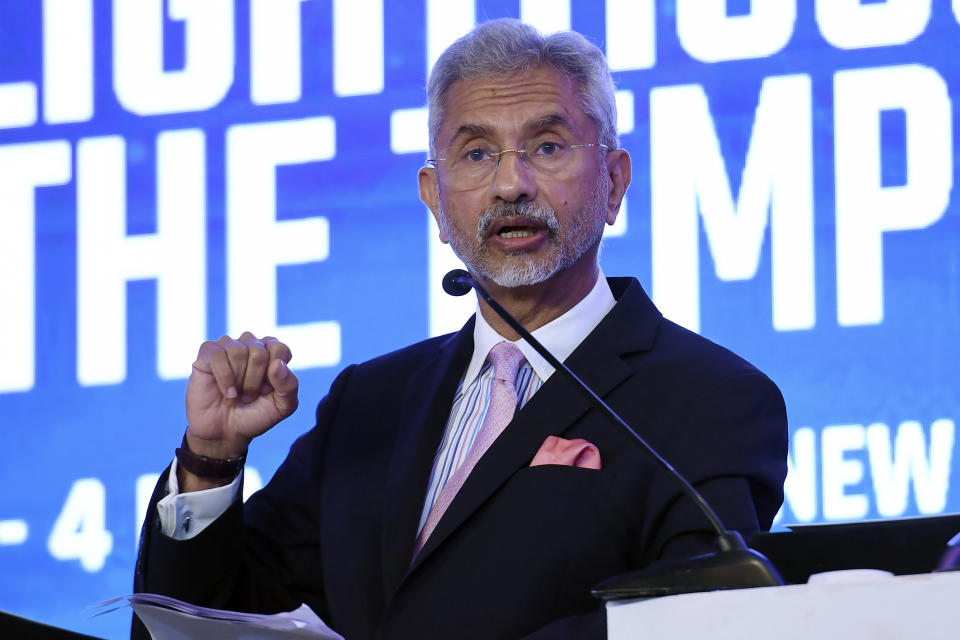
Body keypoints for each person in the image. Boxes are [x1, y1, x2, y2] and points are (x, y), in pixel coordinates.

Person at [133, 18, 787, 640]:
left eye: (548, 146)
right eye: (476, 153)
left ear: (615, 182)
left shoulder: (711, 400)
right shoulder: (367, 406)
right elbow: (207, 622)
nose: (510, 183)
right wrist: (209, 465)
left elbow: (698, 619)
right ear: (435, 200)